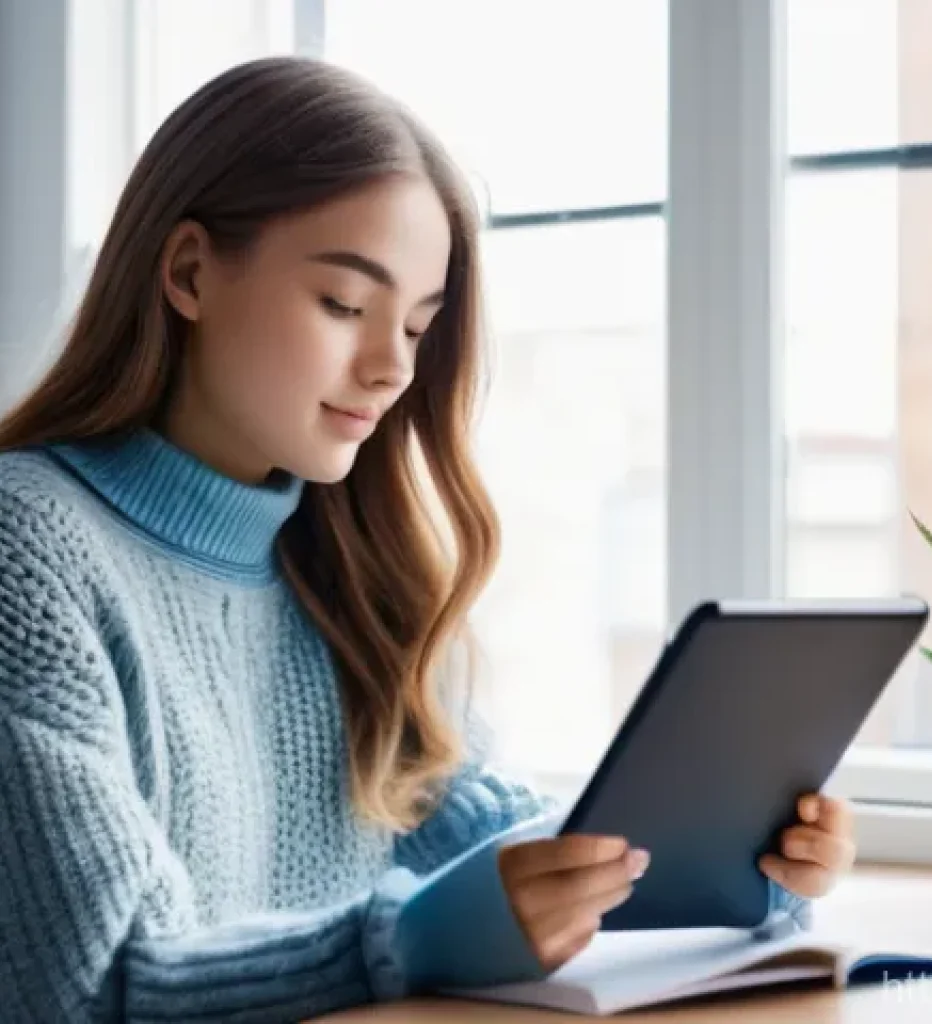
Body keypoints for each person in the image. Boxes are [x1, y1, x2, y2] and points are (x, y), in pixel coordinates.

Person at [0, 56, 856, 1023]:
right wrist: (402, 944)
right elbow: (94, 986)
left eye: (415, 327)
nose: (390, 368)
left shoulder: (343, 574)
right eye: (344, 305)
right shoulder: (26, 550)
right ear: (190, 272)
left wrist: (735, 866)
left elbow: (496, 848)